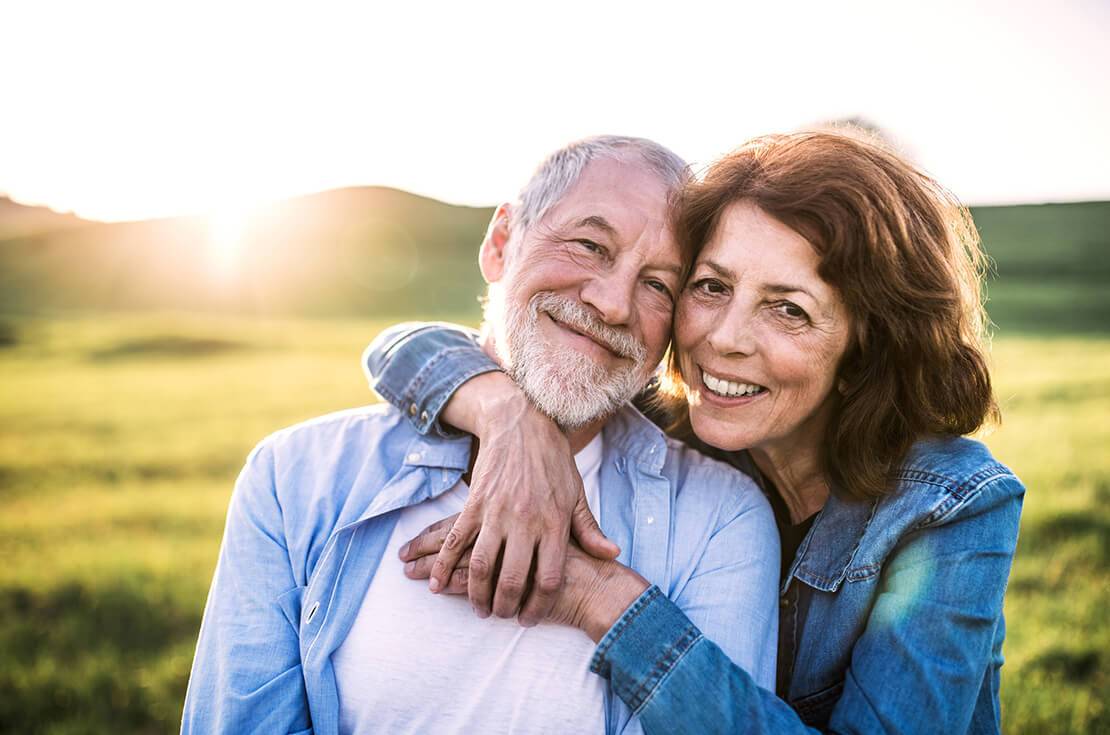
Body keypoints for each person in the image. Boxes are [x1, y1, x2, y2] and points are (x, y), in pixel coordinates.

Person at [363, 131, 1025, 734]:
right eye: (710, 286)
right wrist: (508, 417)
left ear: (869, 344)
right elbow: (407, 346)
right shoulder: (666, 420)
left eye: (788, 309)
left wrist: (605, 599)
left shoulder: (952, 506)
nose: (722, 339)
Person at [181, 135, 780, 734]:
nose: (612, 303)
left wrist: (597, 593)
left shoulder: (719, 518)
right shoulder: (294, 476)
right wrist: (508, 416)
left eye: (659, 285)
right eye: (590, 246)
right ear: (500, 244)